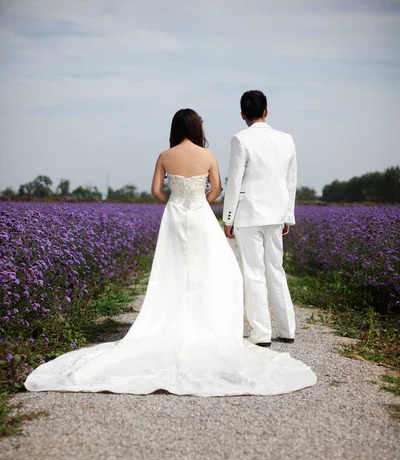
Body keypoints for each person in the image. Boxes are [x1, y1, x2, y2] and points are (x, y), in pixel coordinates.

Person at [25, 109, 316, 396]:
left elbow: (154, 190)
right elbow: (216, 189)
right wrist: (200, 201)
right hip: (201, 215)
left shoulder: (165, 155)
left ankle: (172, 320)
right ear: (196, 128)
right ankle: (212, 323)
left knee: (172, 268)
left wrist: (174, 199)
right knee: (214, 269)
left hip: (175, 215)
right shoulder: (208, 155)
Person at [223, 90, 297, 348]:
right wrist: (288, 214)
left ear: (243, 115)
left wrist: (228, 218)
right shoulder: (287, 139)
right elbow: (291, 181)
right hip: (277, 213)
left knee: (253, 272)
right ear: (266, 111)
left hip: (249, 213)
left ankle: (261, 333)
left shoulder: (240, 139)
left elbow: (234, 181)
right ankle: (287, 329)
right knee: (276, 269)